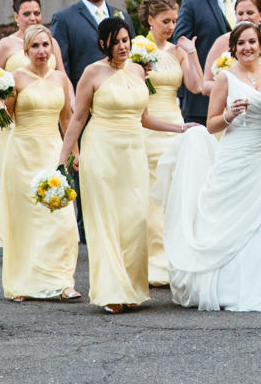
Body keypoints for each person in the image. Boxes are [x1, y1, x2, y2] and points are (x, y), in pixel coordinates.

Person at [156, 21, 261, 312]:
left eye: (252, 42)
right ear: (233, 49)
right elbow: (211, 122)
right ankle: (234, 288)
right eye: (241, 44)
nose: (247, 48)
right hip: (237, 153)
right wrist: (229, 115)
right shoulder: (225, 78)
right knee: (234, 219)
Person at [56, 16, 181, 312]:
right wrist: (65, 156)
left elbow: (145, 118)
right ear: (103, 44)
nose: (123, 46)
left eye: (126, 40)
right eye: (117, 42)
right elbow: (77, 117)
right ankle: (111, 291)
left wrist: (179, 128)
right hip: (102, 151)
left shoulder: (139, 71)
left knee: (135, 219)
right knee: (106, 220)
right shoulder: (92, 73)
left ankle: (131, 288)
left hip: (134, 152)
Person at [0, 24, 78, 301]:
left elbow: (68, 119)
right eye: (35, 46)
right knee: (26, 219)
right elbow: (5, 119)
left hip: (52, 149)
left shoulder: (61, 80)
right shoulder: (15, 78)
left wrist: (73, 151)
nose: (41, 51)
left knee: (63, 219)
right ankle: (21, 283)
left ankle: (63, 281)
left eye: (46, 45)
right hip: (23, 152)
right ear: (26, 50)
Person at [134, 0, 206, 288]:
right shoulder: (137, 49)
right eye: (165, 21)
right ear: (150, 20)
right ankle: (152, 265)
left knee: (177, 195)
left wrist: (191, 52)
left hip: (176, 122)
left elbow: (196, 85)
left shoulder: (177, 51)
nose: (171, 26)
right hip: (149, 126)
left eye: (174, 21)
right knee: (151, 198)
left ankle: (175, 259)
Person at [0, 0, 53, 253]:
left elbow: (60, 76)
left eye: (37, 12)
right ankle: (15, 231)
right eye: (27, 13)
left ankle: (42, 229)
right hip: (9, 118)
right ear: (16, 17)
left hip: (41, 114)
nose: (33, 17)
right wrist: (0, 109)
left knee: (44, 173)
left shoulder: (48, 41)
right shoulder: (6, 45)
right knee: (16, 176)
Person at [170, 0, 245, 127]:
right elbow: (179, 45)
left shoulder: (248, 4)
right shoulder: (192, 3)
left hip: (242, 102)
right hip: (201, 103)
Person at [47, 0, 131, 85]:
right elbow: (60, 64)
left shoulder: (124, 17)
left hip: (121, 88)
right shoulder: (63, 18)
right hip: (82, 90)